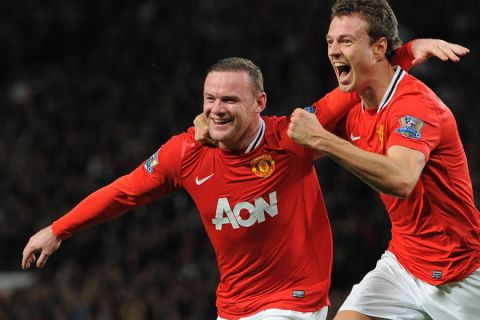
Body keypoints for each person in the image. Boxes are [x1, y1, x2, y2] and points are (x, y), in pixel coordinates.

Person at [23, 45, 466, 320]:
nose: (216, 109)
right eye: (210, 99)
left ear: (260, 102)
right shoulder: (186, 152)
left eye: (230, 99)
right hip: (233, 308)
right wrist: (58, 229)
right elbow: (123, 191)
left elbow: (359, 81)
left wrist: (404, 52)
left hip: (294, 304)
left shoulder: (292, 136)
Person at [287, 0, 480, 319]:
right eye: (330, 41)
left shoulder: (414, 106)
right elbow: (298, 144)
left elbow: (401, 179)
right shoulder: (354, 101)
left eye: (346, 41)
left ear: (379, 48)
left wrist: (324, 139)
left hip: (461, 275)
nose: (334, 50)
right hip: (403, 265)